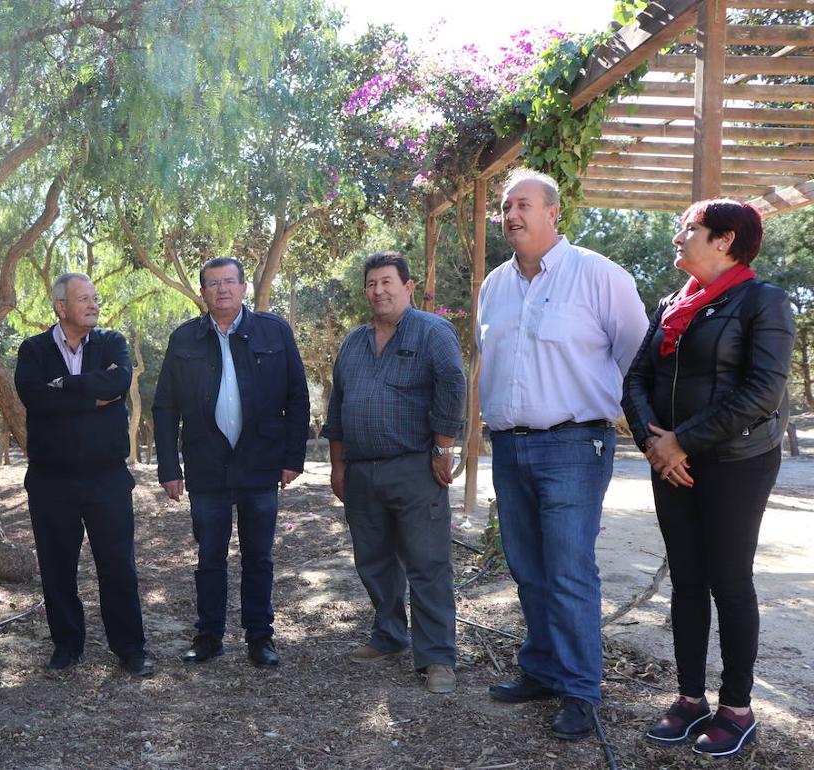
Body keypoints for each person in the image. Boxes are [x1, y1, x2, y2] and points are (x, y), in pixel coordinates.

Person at [477, 168, 648, 739]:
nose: (512, 216)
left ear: (554, 214)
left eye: (524, 205)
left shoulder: (598, 276)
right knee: (527, 569)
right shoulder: (494, 285)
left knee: (570, 571)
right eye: (505, 207)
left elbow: (635, 356)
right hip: (509, 446)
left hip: (575, 444)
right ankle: (544, 669)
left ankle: (580, 691)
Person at [623, 199, 793, 758]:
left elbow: (762, 393)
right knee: (688, 581)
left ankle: (737, 708)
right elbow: (637, 378)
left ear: (724, 240)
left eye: (688, 229)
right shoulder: (671, 304)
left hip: (736, 461)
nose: (678, 237)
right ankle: (690, 699)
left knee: (729, 579)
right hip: (670, 462)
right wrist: (654, 441)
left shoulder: (763, 301)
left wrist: (681, 440)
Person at [152, 257, 310, 668]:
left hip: (260, 463)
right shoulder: (184, 338)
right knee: (209, 557)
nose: (221, 290)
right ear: (202, 292)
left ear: (243, 288)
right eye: (212, 284)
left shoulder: (273, 331)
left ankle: (260, 637)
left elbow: (297, 397)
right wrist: (169, 468)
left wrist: (293, 457)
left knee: (259, 556)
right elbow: (165, 407)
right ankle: (209, 635)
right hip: (207, 465)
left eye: (229, 282)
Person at [322, 252, 466, 693]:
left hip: (414, 467)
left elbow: (452, 385)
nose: (378, 291)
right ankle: (389, 636)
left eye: (387, 282)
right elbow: (338, 407)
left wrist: (443, 448)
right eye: (371, 284)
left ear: (408, 286)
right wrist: (338, 464)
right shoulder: (354, 342)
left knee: (428, 563)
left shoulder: (432, 331)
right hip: (362, 472)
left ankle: (437, 656)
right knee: (374, 561)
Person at [14, 273, 153, 677]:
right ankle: (67, 646)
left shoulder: (113, 343)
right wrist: (95, 399)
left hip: (107, 478)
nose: (94, 305)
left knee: (118, 567)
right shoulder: (34, 350)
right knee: (57, 568)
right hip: (50, 481)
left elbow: (120, 380)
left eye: (95, 298)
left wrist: (66, 386)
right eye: (84, 299)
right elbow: (35, 399)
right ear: (61, 307)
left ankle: (131, 648)